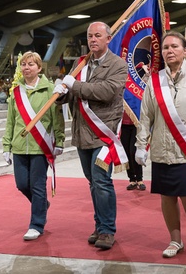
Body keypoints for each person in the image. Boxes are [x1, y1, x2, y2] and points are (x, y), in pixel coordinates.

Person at [135, 31, 186, 258]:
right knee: (167, 196)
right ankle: (174, 239)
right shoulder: (154, 81)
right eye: (165, 48)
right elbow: (146, 117)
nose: (169, 51)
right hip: (162, 150)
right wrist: (141, 145)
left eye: (174, 47)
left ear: (184, 51)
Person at [53, 21, 127, 250]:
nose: (92, 40)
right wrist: (61, 93)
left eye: (97, 35)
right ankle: (99, 224)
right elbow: (73, 92)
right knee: (93, 182)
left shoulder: (118, 65)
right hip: (82, 133)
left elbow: (105, 92)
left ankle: (107, 230)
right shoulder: (80, 62)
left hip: (104, 134)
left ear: (108, 39)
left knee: (102, 181)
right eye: (89, 36)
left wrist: (74, 85)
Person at [2, 51, 65, 241]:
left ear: (39, 67)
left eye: (31, 64)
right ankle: (41, 205)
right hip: (20, 146)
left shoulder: (50, 90)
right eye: (23, 64)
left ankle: (36, 224)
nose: (26, 68)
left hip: (40, 146)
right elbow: (10, 121)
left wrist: (59, 141)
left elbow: (57, 118)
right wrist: (6, 145)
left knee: (37, 186)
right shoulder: (16, 92)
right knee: (22, 184)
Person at [121, 111, 146, 191]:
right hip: (122, 124)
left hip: (136, 123)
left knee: (134, 151)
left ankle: (139, 179)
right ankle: (132, 179)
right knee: (126, 152)